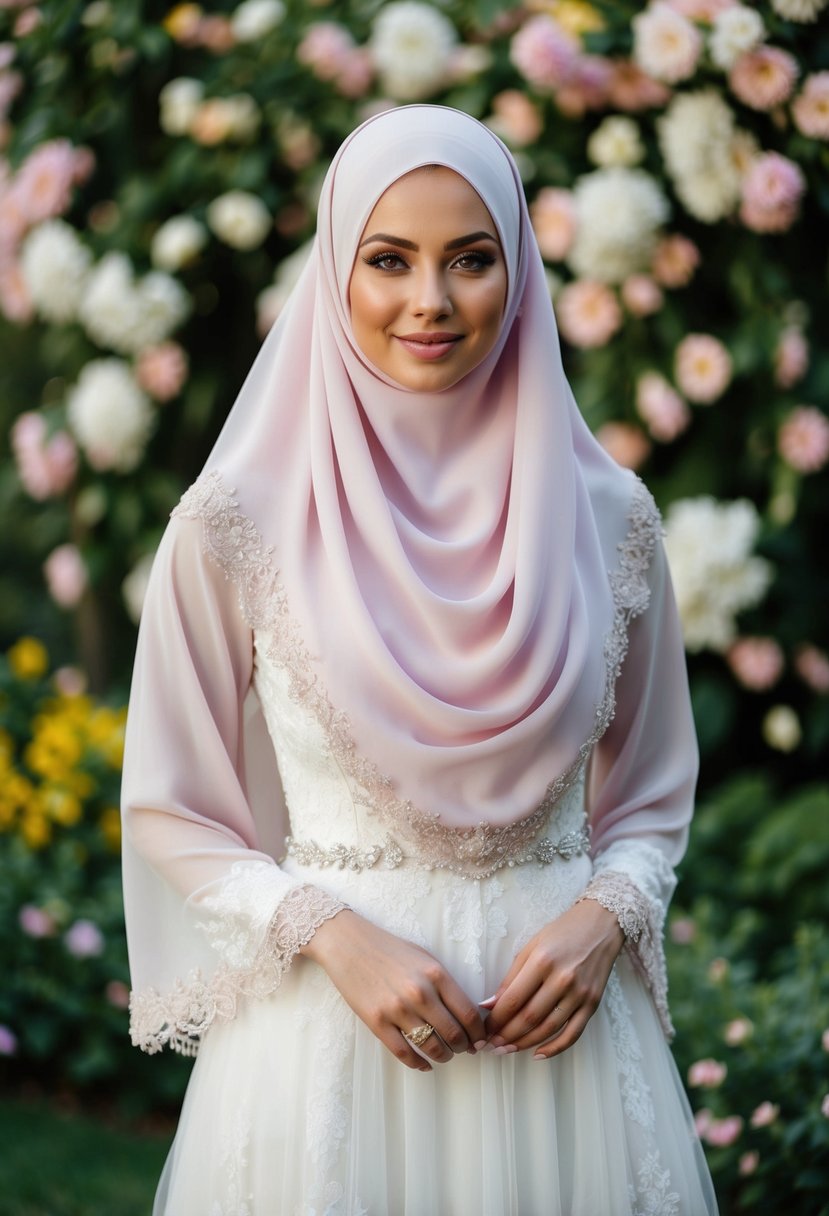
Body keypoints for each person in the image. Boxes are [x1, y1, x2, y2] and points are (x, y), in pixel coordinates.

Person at [121, 105, 718, 1214]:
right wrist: (332, 936)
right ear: (334, 271)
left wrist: (604, 920)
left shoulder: (610, 520)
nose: (430, 301)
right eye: (387, 260)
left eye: (472, 259)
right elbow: (172, 809)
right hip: (327, 1051)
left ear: (522, 271)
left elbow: (652, 795)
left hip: (565, 1062)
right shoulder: (233, 521)